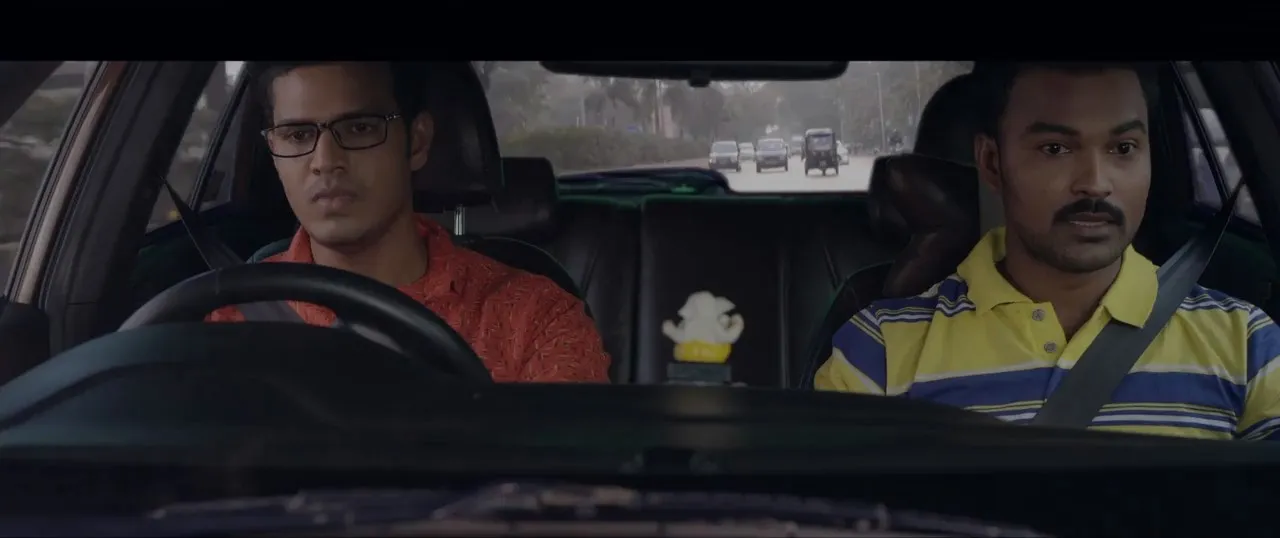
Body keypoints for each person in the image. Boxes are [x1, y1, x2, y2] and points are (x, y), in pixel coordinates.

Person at [814, 62, 1280, 441]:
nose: (1095, 183)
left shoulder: (1247, 344)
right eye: (1055, 148)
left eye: (1123, 148)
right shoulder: (879, 351)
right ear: (992, 164)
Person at [206, 61, 611, 384]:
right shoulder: (230, 318)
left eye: (360, 128)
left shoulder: (535, 319)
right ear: (273, 150)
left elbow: (574, 464)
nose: (325, 161)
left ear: (416, 142)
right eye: (297, 136)